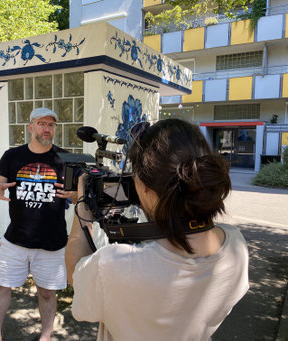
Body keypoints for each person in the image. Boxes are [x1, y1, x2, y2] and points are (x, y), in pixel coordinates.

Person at [65, 118, 249, 341]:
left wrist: (83, 204)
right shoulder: (236, 244)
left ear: (143, 187)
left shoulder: (115, 265)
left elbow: (76, 275)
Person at [0, 107, 77, 341]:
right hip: (16, 239)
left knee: (48, 293)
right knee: (0, 286)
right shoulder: (12, 156)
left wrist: (73, 194)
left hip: (52, 241)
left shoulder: (65, 159)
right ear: (30, 127)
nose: (46, 129)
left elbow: (79, 196)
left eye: (51, 125)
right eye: (41, 123)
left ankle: (45, 336)